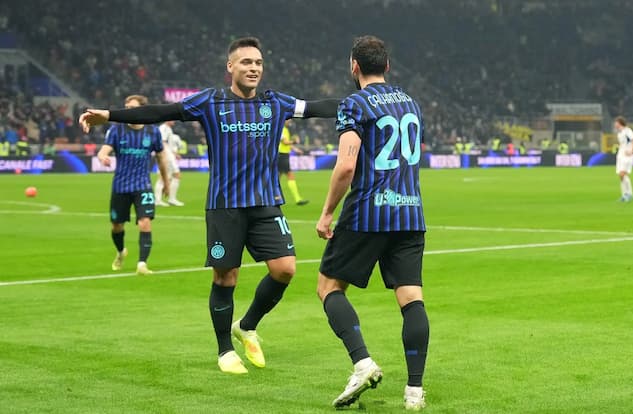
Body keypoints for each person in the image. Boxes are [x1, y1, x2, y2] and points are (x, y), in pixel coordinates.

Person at [80, 37, 338, 375]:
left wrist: (363, 103)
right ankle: (224, 350)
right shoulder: (210, 102)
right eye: (246, 62)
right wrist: (110, 115)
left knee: (285, 269)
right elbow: (162, 111)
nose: (254, 68)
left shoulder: (276, 102)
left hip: (266, 203)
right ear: (230, 66)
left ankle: (247, 325)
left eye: (258, 63)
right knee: (226, 276)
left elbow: (319, 107)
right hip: (224, 206)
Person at [315, 36, 429, 410]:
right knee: (411, 298)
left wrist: (327, 212)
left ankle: (363, 363)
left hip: (368, 211)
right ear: (387, 65)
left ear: (354, 66)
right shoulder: (411, 103)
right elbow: (414, 154)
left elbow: (346, 165)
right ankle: (414, 392)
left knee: (329, 287)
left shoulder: (355, 104)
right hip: (410, 212)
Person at [96, 94, 171, 275]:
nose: (128, 112)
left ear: (142, 110)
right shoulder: (116, 130)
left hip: (142, 185)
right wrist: (103, 157)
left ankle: (142, 264)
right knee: (117, 226)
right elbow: (104, 150)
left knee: (145, 223)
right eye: (127, 108)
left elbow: (161, 158)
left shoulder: (153, 132)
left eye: (133, 109)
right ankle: (121, 251)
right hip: (120, 186)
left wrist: (166, 182)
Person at [154, 120, 185, 207]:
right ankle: (159, 200)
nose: (174, 121)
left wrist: (174, 153)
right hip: (166, 156)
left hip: (170, 155)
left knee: (174, 176)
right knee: (164, 177)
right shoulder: (163, 128)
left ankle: (171, 199)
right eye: (172, 120)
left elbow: (168, 144)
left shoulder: (168, 129)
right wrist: (165, 156)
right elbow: (162, 143)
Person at [278, 119, 309, 205]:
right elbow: (285, 142)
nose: (290, 121)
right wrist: (294, 141)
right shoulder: (281, 129)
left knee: (277, 178)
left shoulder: (285, 129)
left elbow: (286, 144)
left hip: (282, 155)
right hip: (282, 156)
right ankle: (297, 199)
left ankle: (273, 197)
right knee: (290, 175)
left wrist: (296, 149)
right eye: (288, 120)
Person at [614, 116, 633, 202]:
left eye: (616, 123)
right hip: (620, 156)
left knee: (622, 174)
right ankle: (624, 195)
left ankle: (629, 194)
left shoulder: (627, 131)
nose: (615, 124)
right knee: (621, 176)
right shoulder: (619, 133)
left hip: (627, 156)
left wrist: (632, 151)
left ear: (620, 123)